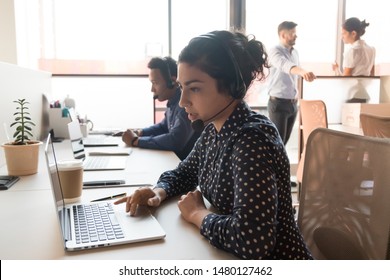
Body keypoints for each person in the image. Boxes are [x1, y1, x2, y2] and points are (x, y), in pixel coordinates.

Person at [115, 30, 313, 260]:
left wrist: (199, 215)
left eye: (195, 88)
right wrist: (158, 192)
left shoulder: (252, 140)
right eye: (182, 87)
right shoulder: (213, 130)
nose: (182, 100)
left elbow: (253, 241)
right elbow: (185, 173)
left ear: (232, 87)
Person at [120, 56, 201, 160]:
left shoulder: (185, 105)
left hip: (185, 168)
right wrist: (140, 132)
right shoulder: (172, 102)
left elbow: (175, 140)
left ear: (172, 82)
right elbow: (163, 127)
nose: (152, 89)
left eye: (155, 83)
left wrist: (136, 141)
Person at [267, 21, 316, 145]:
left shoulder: (295, 52)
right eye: (292, 33)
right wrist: (302, 71)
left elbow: (295, 75)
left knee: (284, 143)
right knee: (277, 144)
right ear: (283, 35)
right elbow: (285, 65)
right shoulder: (274, 51)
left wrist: (303, 74)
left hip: (293, 104)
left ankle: (280, 164)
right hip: (278, 103)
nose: (296, 36)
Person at [332, 17, 376, 103]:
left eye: (343, 34)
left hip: (352, 95)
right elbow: (371, 75)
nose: (342, 37)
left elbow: (346, 79)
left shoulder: (352, 51)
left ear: (353, 33)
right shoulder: (372, 49)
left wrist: (336, 70)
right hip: (364, 95)